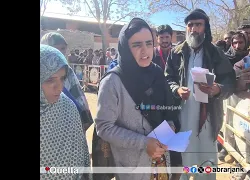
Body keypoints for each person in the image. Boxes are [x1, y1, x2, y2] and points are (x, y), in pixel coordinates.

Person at [95, 18, 180, 180]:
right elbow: (104, 127)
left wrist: (170, 127)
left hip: (162, 163)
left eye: (149, 43)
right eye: (137, 45)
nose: (145, 50)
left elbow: (169, 110)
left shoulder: (157, 73)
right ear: (125, 47)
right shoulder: (112, 82)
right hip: (133, 168)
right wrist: (143, 143)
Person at [165, 9, 236, 180]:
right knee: (182, 160)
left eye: (198, 24)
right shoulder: (176, 53)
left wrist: (218, 89)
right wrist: (176, 89)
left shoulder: (215, 53)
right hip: (182, 115)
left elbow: (230, 81)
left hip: (208, 117)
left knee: (206, 161)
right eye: (190, 25)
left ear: (206, 27)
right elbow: (167, 78)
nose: (194, 29)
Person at [40, 44, 91, 180]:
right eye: (50, 80)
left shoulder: (68, 107)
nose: (59, 87)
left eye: (62, 78)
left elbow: (82, 155)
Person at [40, 33, 94, 132]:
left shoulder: (67, 71)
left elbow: (78, 99)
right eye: (56, 48)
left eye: (63, 48)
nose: (60, 52)